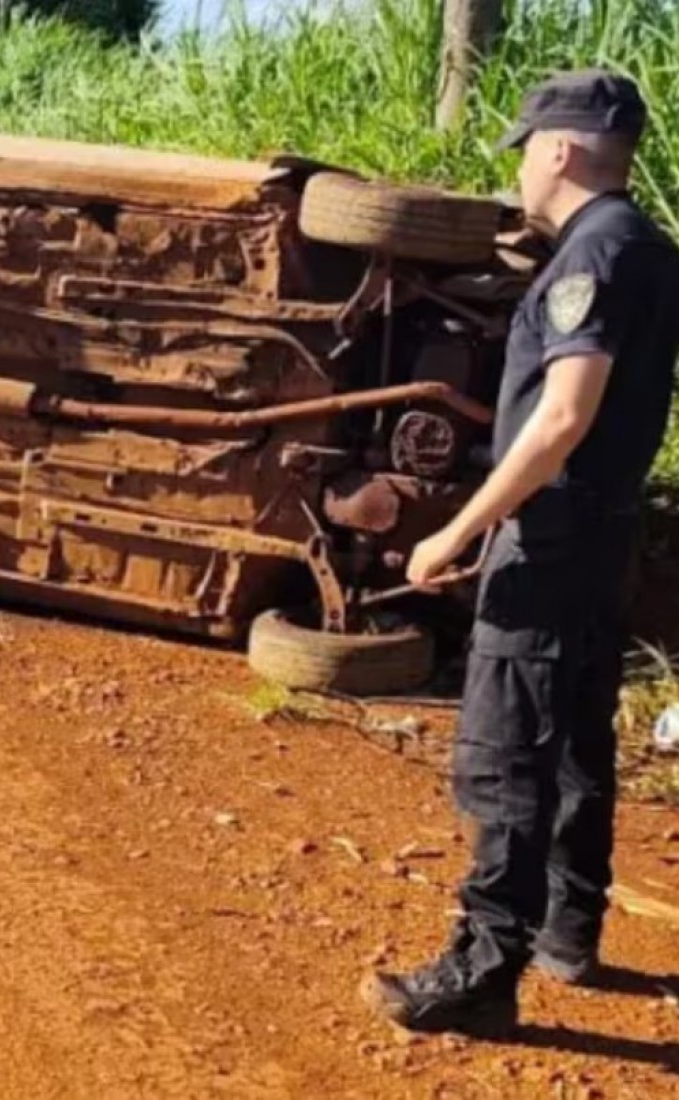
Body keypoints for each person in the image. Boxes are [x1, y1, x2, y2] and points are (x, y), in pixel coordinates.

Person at [362, 70, 679, 1036]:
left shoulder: (594, 255)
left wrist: (458, 531)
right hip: (603, 532)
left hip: (549, 537)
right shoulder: (648, 250)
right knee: (579, 734)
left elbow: (562, 418)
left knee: (509, 751)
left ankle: (483, 969)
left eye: (528, 151)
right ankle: (568, 931)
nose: (524, 173)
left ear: (558, 150)